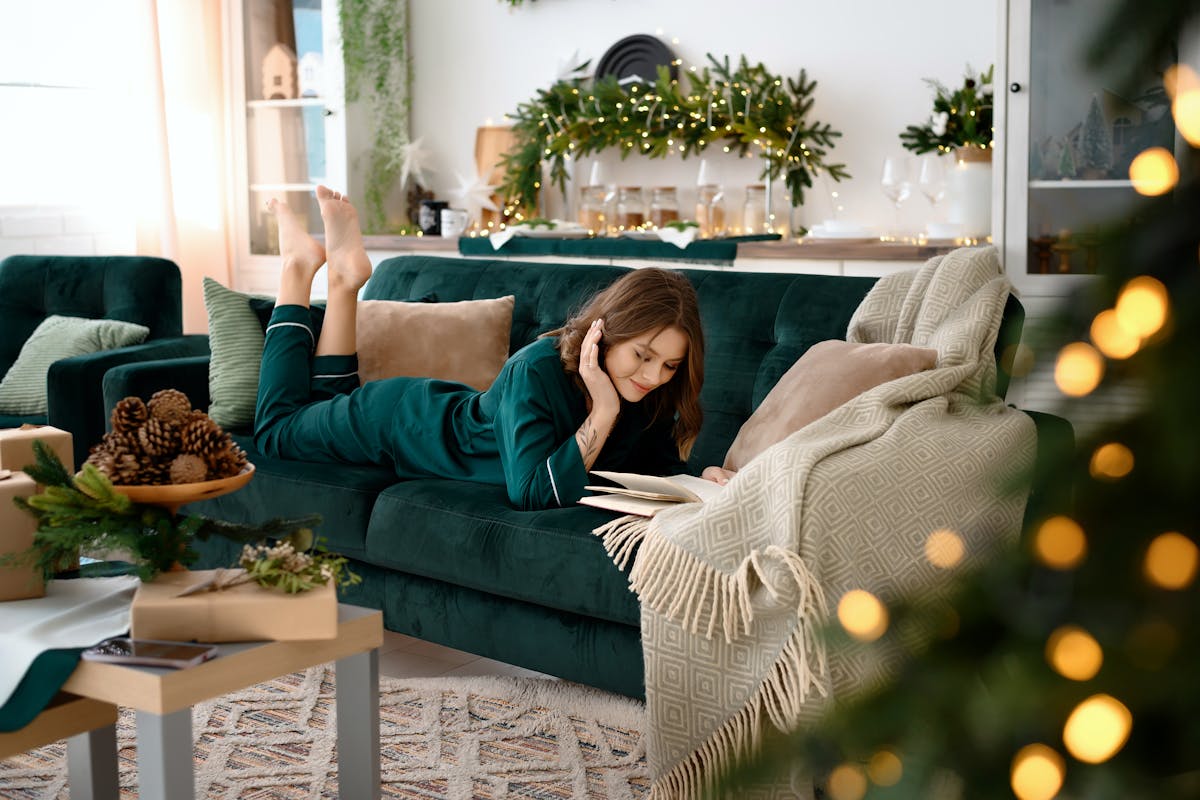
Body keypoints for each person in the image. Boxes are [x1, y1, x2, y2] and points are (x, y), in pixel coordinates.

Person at [254, 186, 736, 511]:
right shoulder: (538, 370)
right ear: (606, 333)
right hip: (399, 423)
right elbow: (530, 491)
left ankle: (343, 282)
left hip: (425, 414)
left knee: (318, 406)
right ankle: (297, 268)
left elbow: (656, 468)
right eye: (643, 356)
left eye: (670, 365)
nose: (654, 376)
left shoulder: (644, 393)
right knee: (277, 431)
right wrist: (603, 410)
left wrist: (700, 476)